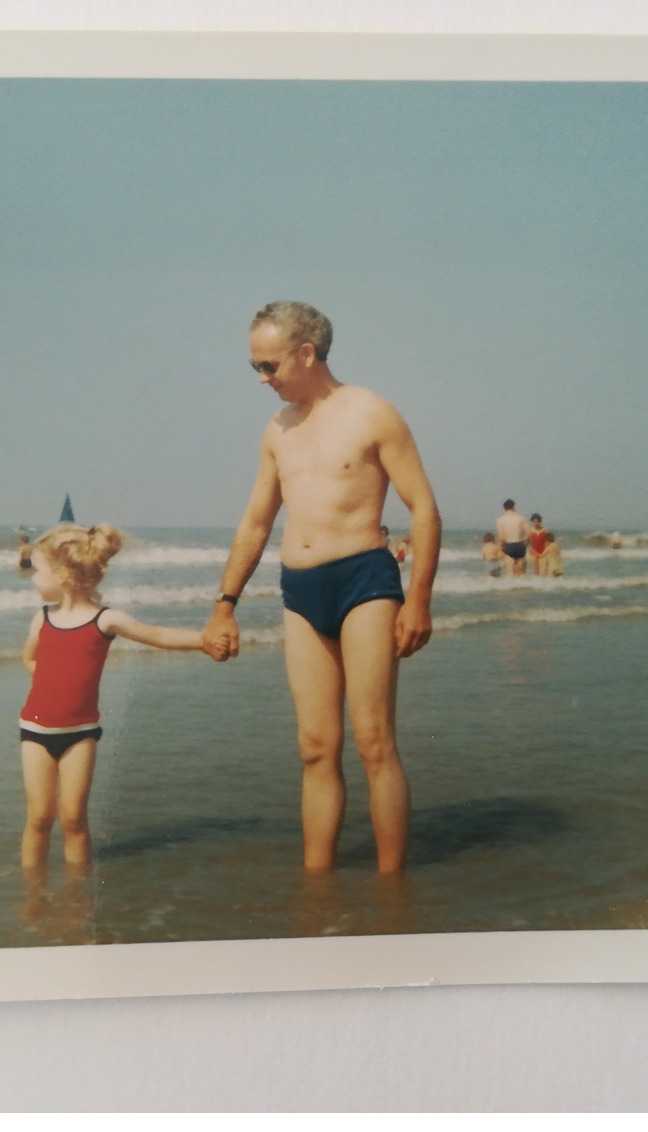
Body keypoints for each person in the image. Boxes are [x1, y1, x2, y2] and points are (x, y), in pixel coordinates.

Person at [202, 301, 440, 875]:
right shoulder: (278, 431)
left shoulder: (372, 414)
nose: (262, 379)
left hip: (365, 580)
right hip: (300, 589)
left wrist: (419, 599)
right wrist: (224, 605)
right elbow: (257, 520)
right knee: (315, 746)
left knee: (373, 740)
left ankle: (391, 888)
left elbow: (424, 510)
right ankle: (318, 886)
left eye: (268, 366)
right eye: (254, 368)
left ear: (305, 353)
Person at [20, 524, 210, 868]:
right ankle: (33, 895)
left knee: (74, 819)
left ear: (62, 574)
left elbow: (158, 635)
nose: (32, 578)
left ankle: (76, 897)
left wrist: (204, 641)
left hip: (80, 734)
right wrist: (52, 682)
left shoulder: (105, 620)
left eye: (37, 571)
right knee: (39, 818)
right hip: (34, 730)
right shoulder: (41, 619)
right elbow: (29, 658)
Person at [495, 500, 528, 576]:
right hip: (519, 544)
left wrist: (501, 547)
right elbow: (528, 533)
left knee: (510, 572)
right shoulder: (520, 518)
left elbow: (501, 537)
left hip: (508, 545)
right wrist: (525, 544)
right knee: (520, 572)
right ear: (513, 507)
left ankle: (512, 586)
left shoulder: (501, 519)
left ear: (504, 508)